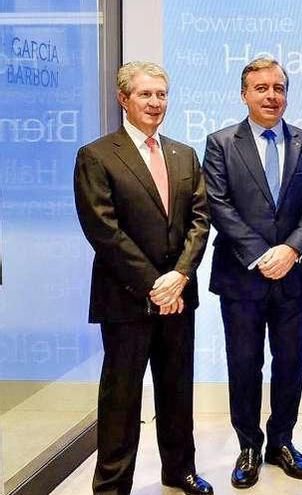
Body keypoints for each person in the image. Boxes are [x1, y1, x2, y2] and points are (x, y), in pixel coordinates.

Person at [73, 61, 212, 495]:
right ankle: (113, 484)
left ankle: (179, 470)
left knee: (177, 390)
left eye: (161, 95)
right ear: (124, 99)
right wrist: (157, 283)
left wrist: (181, 277)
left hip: (178, 297)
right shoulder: (96, 155)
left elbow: (199, 221)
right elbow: (103, 230)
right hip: (127, 299)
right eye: (146, 95)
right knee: (121, 398)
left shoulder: (183, 153)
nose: (155, 103)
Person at [202, 57, 302, 489]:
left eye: (278, 87)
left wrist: (290, 251)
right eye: (261, 88)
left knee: (290, 363)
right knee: (245, 363)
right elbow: (219, 205)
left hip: (293, 274)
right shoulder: (220, 143)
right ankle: (249, 446)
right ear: (244, 94)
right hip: (241, 275)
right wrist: (261, 254)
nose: (271, 95)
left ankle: (283, 442)